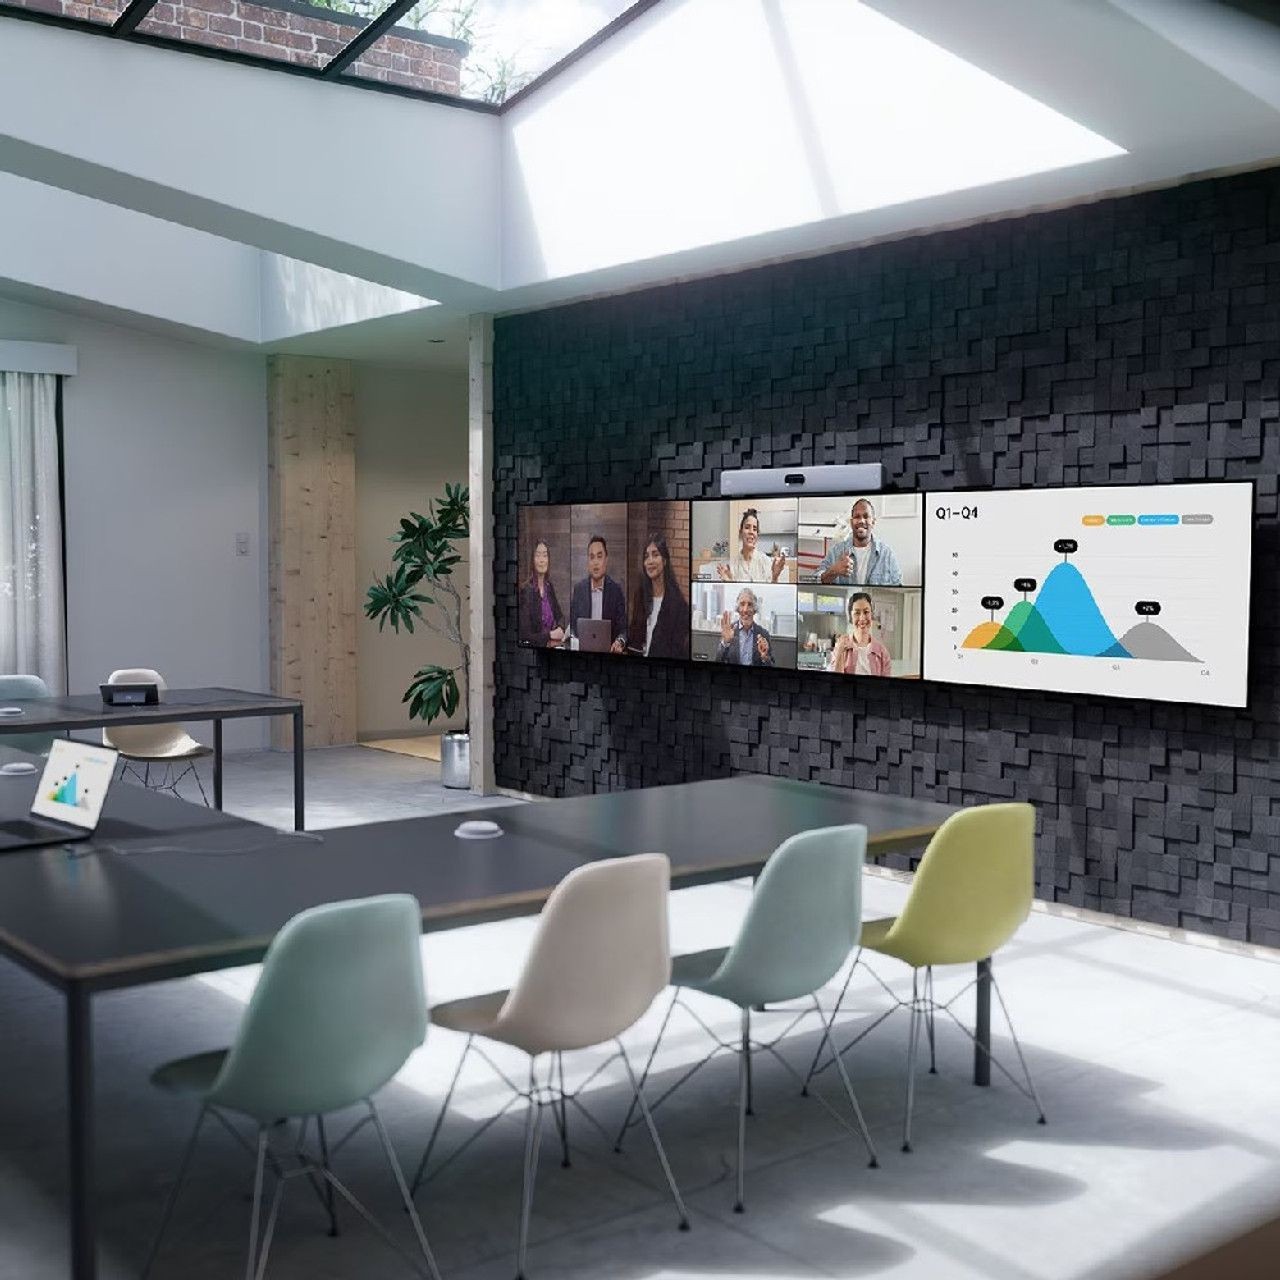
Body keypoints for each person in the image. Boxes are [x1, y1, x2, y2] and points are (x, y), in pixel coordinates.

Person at [628, 534, 690, 659]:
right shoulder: (640, 596)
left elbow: (677, 650)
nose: (650, 561)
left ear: (665, 560)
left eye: (655, 555)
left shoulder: (678, 605)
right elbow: (633, 637)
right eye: (646, 557)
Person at [817, 498, 902, 585]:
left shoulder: (887, 554)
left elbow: (899, 586)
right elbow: (812, 580)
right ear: (851, 522)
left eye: (866, 516)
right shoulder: (835, 552)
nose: (861, 521)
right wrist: (833, 571)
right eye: (857, 517)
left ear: (873, 522)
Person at [569, 533, 628, 653]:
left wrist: (620, 641)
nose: (595, 562)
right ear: (588, 562)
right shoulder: (579, 590)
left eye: (599, 556)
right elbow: (573, 626)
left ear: (606, 560)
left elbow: (624, 629)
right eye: (592, 557)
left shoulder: (616, 591)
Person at [716, 508, 788, 583]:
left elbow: (771, 592)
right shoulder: (732, 565)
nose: (751, 532)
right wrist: (728, 582)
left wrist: (775, 576)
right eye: (747, 527)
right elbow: (734, 592)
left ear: (757, 535)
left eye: (754, 529)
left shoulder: (766, 561)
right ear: (740, 532)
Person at [829, 592, 892, 676]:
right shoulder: (839, 647)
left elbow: (885, 687)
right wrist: (840, 652)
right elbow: (835, 683)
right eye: (857, 613)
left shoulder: (882, 652)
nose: (862, 618)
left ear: (871, 614)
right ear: (851, 617)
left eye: (866, 612)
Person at [519, 539, 566, 648]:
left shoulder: (549, 587)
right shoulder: (525, 591)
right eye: (538, 556)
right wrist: (550, 635)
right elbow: (525, 634)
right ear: (532, 560)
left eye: (545, 556)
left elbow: (560, 616)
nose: (542, 560)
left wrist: (560, 628)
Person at [715, 587, 775, 666]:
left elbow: (771, 666)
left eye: (750, 605)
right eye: (742, 604)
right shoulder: (730, 630)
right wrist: (725, 643)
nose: (745, 610)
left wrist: (764, 657)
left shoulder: (764, 634)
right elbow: (718, 661)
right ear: (738, 608)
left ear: (754, 609)